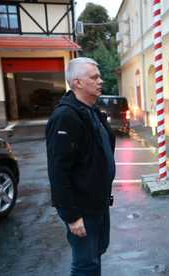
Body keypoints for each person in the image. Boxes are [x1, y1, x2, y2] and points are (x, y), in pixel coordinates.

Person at [46, 57, 116, 276]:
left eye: (100, 76)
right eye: (94, 77)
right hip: (82, 209)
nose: (100, 81)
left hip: (99, 203)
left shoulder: (91, 111)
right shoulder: (65, 117)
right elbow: (58, 172)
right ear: (77, 82)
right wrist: (72, 216)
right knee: (86, 265)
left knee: (95, 255)